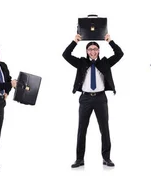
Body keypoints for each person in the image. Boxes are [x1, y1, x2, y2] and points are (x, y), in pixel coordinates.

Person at [62, 33, 123, 168]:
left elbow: (120, 54)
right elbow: (65, 55)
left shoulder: (105, 62)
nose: (93, 52)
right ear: (87, 51)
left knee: (104, 129)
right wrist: (74, 42)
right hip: (85, 99)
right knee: (82, 129)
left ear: (99, 51)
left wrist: (110, 41)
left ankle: (106, 158)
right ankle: (79, 159)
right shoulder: (81, 62)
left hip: (101, 98)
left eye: (95, 49)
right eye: (90, 50)